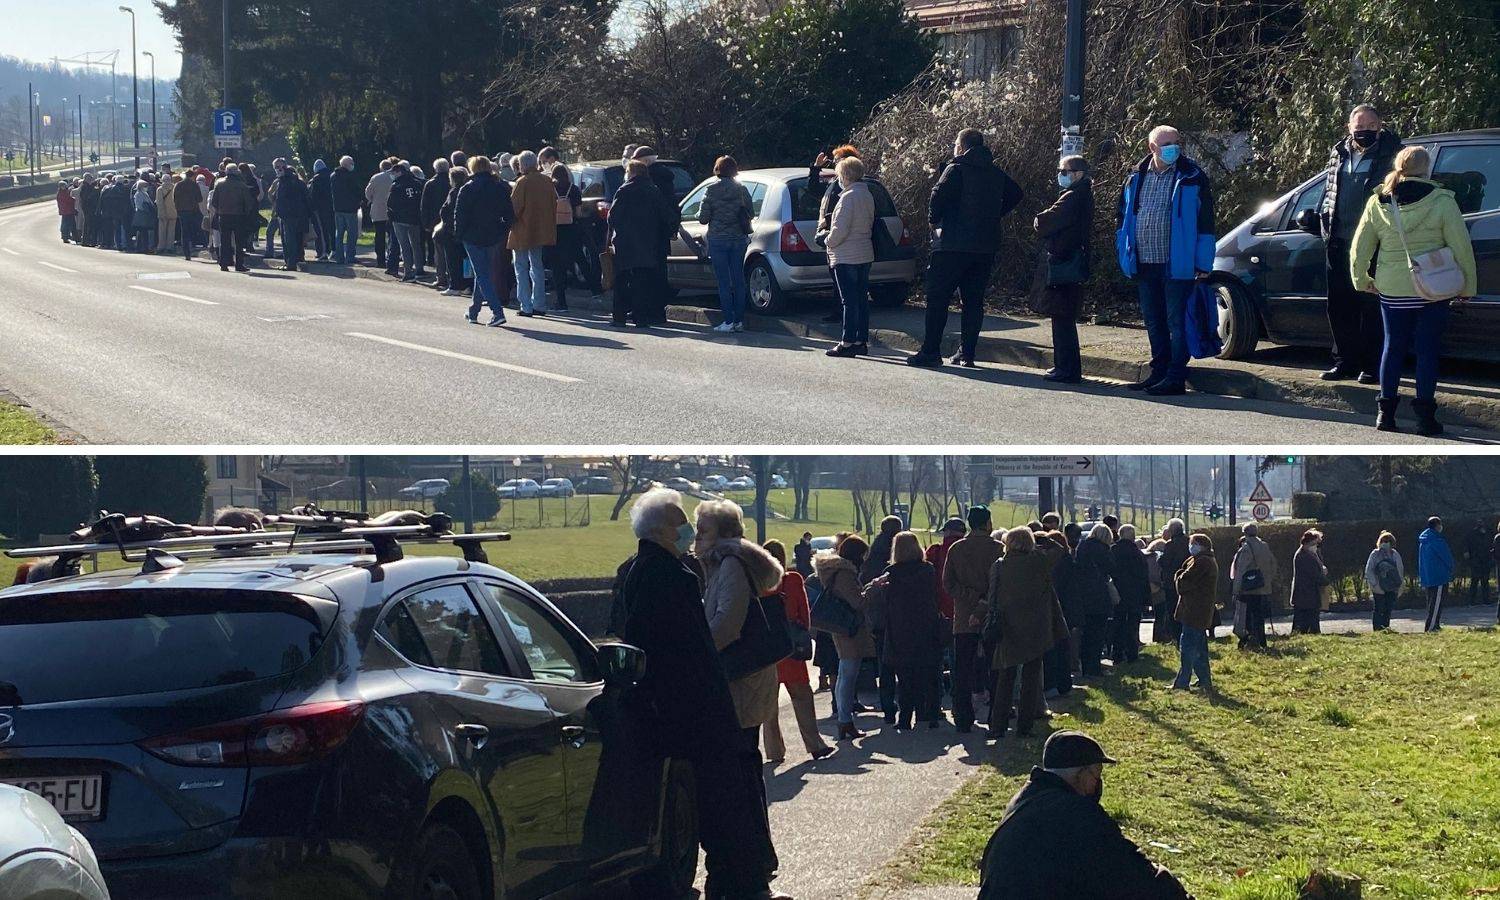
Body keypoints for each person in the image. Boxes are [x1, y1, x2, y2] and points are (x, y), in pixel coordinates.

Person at [614, 489, 777, 900]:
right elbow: (695, 647)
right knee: (724, 800)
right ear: (663, 529)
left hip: (673, 707)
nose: (687, 528)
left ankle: (735, 878)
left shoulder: (641, 570)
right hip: (696, 709)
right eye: (681, 521)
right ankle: (738, 883)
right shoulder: (671, 574)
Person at [692, 499, 786, 895]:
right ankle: (756, 860)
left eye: (702, 532)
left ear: (724, 535)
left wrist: (695, 655)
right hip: (748, 682)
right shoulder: (725, 563)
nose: (696, 540)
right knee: (747, 774)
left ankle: (751, 866)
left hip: (740, 686)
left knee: (742, 777)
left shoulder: (729, 565)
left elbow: (725, 625)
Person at [1350, 145, 1476, 435]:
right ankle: (1426, 419)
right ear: (1426, 168)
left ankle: (1385, 415)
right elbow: (1461, 246)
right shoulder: (1442, 201)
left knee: (1392, 348)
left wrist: (1361, 279)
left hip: (1392, 286)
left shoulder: (1378, 201)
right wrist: (1468, 285)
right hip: (1433, 287)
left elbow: (1360, 246)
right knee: (1427, 351)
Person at [977, 731, 1192, 899]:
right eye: (1096, 774)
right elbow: (1135, 875)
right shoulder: (1078, 815)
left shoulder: (1025, 800)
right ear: (1080, 774)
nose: (1098, 783)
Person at [1115, 124, 1217, 396]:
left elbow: (1206, 221)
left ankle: (1175, 376)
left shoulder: (1192, 176)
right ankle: (1158, 371)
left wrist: (1203, 262)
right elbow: (1123, 218)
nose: (1175, 147)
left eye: (1176, 141)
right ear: (1152, 148)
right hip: (1145, 261)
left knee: (1177, 322)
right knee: (1154, 320)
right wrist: (1124, 253)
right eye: (1167, 143)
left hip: (1178, 264)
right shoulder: (1135, 178)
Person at [908, 128, 1023, 368]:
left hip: (952, 244)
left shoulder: (955, 169)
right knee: (973, 301)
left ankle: (931, 351)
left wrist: (934, 221)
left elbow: (937, 197)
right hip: (984, 246)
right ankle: (967, 352)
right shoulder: (994, 172)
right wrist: (995, 215)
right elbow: (1016, 194)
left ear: (961, 146)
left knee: (938, 298)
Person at [1319, 104, 1402, 384]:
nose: (1364, 131)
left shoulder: (1393, 154)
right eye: (1359, 126)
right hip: (1339, 241)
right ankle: (1344, 361)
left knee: (1370, 306)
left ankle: (1371, 365)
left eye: (1370, 126)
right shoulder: (1338, 153)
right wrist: (1323, 224)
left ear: (1380, 126)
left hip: (1375, 243)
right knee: (1339, 306)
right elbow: (1329, 193)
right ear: (1349, 127)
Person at [985, 526, 1069, 738]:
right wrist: (1044, 538)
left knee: (1005, 677)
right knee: (1031, 679)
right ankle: (1025, 725)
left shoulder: (1000, 565)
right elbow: (1059, 550)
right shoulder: (1039, 562)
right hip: (1035, 626)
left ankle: (998, 725)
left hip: (1008, 626)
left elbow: (992, 596)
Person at [760, 540, 835, 763]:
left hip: (766, 649)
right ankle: (814, 744)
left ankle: (774, 751)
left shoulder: (755, 582)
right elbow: (805, 613)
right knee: (802, 697)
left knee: (768, 705)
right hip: (790, 647)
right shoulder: (792, 579)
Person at [863, 531, 945, 730]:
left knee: (905, 676)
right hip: (926, 626)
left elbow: (878, 599)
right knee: (929, 672)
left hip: (899, 628)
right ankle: (930, 713)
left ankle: (905, 717)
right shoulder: (928, 570)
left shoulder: (892, 573)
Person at [1033, 154, 1094, 382]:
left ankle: (1066, 368)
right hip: (1071, 259)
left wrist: (1039, 220)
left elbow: (1045, 221)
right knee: (1063, 317)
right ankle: (1064, 365)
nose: (1061, 175)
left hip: (1065, 261)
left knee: (1062, 317)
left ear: (1077, 173)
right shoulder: (1082, 194)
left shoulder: (1073, 197)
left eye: (1064, 171)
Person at [944, 506, 1002, 733]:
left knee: (962, 669)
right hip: (991, 614)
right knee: (994, 667)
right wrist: (984, 599)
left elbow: (948, 583)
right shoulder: (998, 548)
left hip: (964, 617)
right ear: (987, 523)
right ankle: (996, 714)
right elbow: (1002, 583)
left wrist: (970, 596)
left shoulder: (957, 549)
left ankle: (963, 717)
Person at [813, 534, 876, 741]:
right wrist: (873, 588)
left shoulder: (834, 571)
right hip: (849, 629)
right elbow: (857, 602)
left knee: (843, 675)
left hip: (840, 627)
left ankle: (844, 719)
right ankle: (845, 720)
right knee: (848, 676)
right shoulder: (845, 574)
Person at [821, 156, 877, 358]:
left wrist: (827, 241)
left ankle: (847, 341)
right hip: (864, 252)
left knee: (848, 301)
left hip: (846, 255)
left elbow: (840, 229)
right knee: (861, 299)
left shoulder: (848, 197)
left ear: (845, 175)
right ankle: (861, 340)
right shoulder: (867, 195)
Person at [608, 159, 673, 327]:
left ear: (632, 173)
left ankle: (619, 317)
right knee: (642, 281)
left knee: (621, 280)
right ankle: (641, 318)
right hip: (647, 241)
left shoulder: (624, 190)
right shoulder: (654, 191)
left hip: (625, 243)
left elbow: (612, 217)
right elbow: (665, 215)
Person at [453, 156, 514, 327]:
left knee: (482, 274)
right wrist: (502, 229)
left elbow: (460, 214)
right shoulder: (500, 186)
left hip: (472, 236)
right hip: (493, 235)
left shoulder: (468, 188)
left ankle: (497, 312)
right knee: (482, 273)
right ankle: (474, 310)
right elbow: (509, 212)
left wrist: (459, 234)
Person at [699, 155, 755, 334]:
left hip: (718, 239)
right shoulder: (742, 189)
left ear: (717, 169)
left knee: (723, 281)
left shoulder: (710, 190)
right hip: (738, 239)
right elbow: (751, 213)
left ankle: (728, 320)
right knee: (739, 279)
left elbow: (703, 218)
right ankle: (739, 321)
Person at [508, 150, 557, 316]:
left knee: (521, 267)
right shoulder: (546, 181)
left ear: (523, 165)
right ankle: (540, 304)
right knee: (537, 267)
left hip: (522, 229)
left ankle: (526, 305)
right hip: (541, 229)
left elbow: (514, 209)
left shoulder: (522, 182)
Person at [1172, 533, 1218, 693]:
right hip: (1200, 610)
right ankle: (1204, 680)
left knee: (1188, 647)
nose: (1190, 547)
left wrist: (1178, 576)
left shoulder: (1202, 562)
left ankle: (1182, 681)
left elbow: (1184, 584)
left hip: (1194, 610)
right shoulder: (1204, 560)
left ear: (1200, 545)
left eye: (1192, 543)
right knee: (1199, 649)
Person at [1073, 523, 1116, 678]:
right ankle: (1094, 668)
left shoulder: (1082, 548)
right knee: (1097, 634)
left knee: (1086, 634)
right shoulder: (1104, 551)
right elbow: (1112, 568)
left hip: (1083, 596)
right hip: (1098, 595)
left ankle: (1085, 667)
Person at [1229, 523, 1277, 649]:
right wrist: (1267, 580)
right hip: (1263, 587)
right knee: (1259, 616)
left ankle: (1250, 641)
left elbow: (1240, 570)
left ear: (1244, 533)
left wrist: (1236, 589)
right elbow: (1273, 564)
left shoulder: (1246, 548)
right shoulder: (1264, 546)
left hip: (1249, 589)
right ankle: (1262, 641)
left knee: (1247, 617)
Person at [1108, 524, 1149, 664]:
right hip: (1134, 595)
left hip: (1118, 593)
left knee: (1118, 624)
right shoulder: (1137, 553)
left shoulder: (1113, 550)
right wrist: (1146, 598)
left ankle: (1117, 654)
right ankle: (1132, 654)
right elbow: (1144, 576)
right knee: (1133, 625)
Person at [548, 163, 583, 311]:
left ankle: (561, 300)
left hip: (555, 230)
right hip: (571, 229)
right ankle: (594, 289)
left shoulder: (551, 189)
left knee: (557, 267)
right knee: (577, 258)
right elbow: (579, 212)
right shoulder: (573, 189)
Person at [386, 161, 426, 282]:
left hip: (400, 219)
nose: (392, 175)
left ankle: (408, 272)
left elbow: (391, 203)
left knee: (405, 245)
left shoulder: (396, 185)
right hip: (415, 218)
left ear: (399, 172)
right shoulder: (417, 183)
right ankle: (419, 268)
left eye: (393, 172)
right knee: (416, 245)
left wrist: (391, 215)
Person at [210, 166, 255, 272]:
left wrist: (220, 210)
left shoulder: (219, 184)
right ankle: (239, 264)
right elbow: (248, 202)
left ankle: (223, 263)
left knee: (224, 240)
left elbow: (214, 201)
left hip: (223, 215)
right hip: (238, 215)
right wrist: (246, 213)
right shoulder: (241, 185)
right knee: (239, 242)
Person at [437, 165, 470, 296]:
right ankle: (467, 284)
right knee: (465, 260)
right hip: (465, 230)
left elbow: (446, 210)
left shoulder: (454, 192)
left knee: (452, 260)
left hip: (451, 231)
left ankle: (455, 285)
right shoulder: (468, 190)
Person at [1155, 518, 1190, 643]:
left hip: (1172, 582)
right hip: (1188, 581)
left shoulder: (1171, 544)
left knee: (1173, 610)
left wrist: (1159, 558)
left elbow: (1164, 562)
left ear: (1172, 531)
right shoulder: (1189, 542)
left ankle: (1176, 637)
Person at [272, 162, 311, 272]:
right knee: (298, 238)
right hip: (300, 214)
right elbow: (307, 198)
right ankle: (298, 259)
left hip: (287, 215)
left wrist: (279, 212)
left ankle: (290, 263)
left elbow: (279, 199)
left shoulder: (283, 183)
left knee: (288, 240)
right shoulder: (300, 183)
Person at [1418, 516, 1455, 632]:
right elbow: (1446, 557)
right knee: (1437, 603)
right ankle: (1431, 626)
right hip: (1439, 576)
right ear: (1437, 526)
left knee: (1431, 601)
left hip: (1428, 576)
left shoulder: (1424, 541)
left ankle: (1434, 624)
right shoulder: (1437, 540)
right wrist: (1451, 568)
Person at [1290, 529, 1329, 635]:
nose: (1316, 546)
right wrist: (1324, 578)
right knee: (1304, 622)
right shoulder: (1303, 555)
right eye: (1314, 543)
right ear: (1308, 542)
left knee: (1310, 619)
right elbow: (1313, 574)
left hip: (1309, 594)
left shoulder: (1312, 554)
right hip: (1305, 594)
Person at [1364, 530, 1404, 631]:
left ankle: (1386, 628)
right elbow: (1369, 570)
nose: (1386, 543)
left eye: (1388, 541)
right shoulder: (1375, 554)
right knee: (1378, 609)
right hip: (1378, 587)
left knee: (1388, 609)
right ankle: (1377, 630)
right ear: (1379, 542)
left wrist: (1399, 585)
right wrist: (1375, 584)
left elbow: (1400, 570)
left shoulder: (1395, 554)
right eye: (1384, 540)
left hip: (1392, 587)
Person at [421, 158, 452, 288]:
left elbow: (424, 205)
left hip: (435, 220)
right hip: (450, 220)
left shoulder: (430, 183)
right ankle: (452, 276)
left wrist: (425, 223)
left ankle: (441, 277)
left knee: (438, 252)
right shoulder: (452, 182)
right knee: (452, 251)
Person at [365, 158, 396, 272]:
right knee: (392, 236)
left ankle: (381, 260)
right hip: (392, 211)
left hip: (378, 210)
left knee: (379, 236)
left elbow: (368, 193)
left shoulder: (376, 177)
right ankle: (392, 258)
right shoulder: (394, 177)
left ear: (381, 168)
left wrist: (373, 199)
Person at [330, 156, 362, 265]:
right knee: (352, 234)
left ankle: (339, 257)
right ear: (348, 164)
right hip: (350, 209)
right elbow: (356, 191)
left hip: (338, 208)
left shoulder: (333, 176)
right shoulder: (350, 176)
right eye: (351, 163)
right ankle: (350, 256)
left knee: (339, 234)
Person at [308, 159, 335, 262]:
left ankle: (323, 252)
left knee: (321, 231)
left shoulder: (316, 179)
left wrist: (312, 208)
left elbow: (313, 195)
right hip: (331, 207)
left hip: (319, 209)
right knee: (331, 229)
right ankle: (333, 250)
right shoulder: (331, 177)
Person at [1464, 521, 1494, 606]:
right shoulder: (1477, 534)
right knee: (1477, 581)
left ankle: (1480, 601)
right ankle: (1478, 601)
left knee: (1481, 581)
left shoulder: (1483, 533)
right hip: (1477, 559)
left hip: (1482, 559)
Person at [130, 180, 157, 252]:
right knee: (142, 231)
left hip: (145, 214)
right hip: (141, 214)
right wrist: (147, 209)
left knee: (143, 232)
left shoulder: (145, 193)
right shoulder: (138, 194)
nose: (146, 187)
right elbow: (139, 205)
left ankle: (142, 247)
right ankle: (143, 248)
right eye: (145, 186)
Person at [153, 173, 176, 253]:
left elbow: (160, 202)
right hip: (173, 211)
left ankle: (161, 246)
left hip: (163, 212)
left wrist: (161, 213)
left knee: (162, 231)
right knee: (171, 231)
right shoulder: (174, 187)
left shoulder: (160, 189)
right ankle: (170, 246)